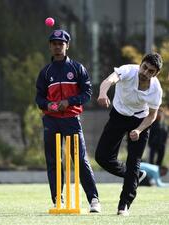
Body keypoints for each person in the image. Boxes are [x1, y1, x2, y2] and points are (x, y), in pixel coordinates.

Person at [35, 29, 101, 213]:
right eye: (54, 43)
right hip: (51, 120)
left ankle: (94, 199)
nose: (58, 46)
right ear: (50, 46)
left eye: (61, 43)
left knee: (79, 159)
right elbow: (39, 99)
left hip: (71, 119)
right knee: (54, 161)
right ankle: (58, 200)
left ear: (67, 46)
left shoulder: (77, 68)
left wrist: (69, 102)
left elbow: (87, 93)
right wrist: (50, 105)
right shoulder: (45, 72)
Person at [95, 53, 163, 216]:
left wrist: (139, 130)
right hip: (118, 115)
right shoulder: (128, 71)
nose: (145, 72)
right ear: (141, 64)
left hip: (140, 120)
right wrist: (103, 93)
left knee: (134, 162)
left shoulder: (156, 89)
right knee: (102, 157)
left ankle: (124, 205)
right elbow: (108, 81)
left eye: (150, 71)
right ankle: (136, 176)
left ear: (155, 74)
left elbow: (152, 115)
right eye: (144, 67)